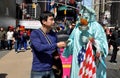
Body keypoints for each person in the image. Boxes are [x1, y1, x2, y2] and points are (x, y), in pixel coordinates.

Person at [63, 5, 108, 78]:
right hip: (78, 57)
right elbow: (72, 39)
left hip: (91, 58)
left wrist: (90, 40)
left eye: (87, 17)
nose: (85, 18)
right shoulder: (77, 26)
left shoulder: (96, 27)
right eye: (83, 16)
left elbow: (102, 42)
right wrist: (68, 43)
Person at [30, 11, 66, 78]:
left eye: (53, 19)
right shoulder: (35, 33)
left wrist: (57, 53)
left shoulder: (53, 34)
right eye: (51, 20)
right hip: (38, 70)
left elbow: (56, 48)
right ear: (44, 21)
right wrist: (56, 45)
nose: (53, 22)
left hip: (51, 69)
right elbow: (39, 47)